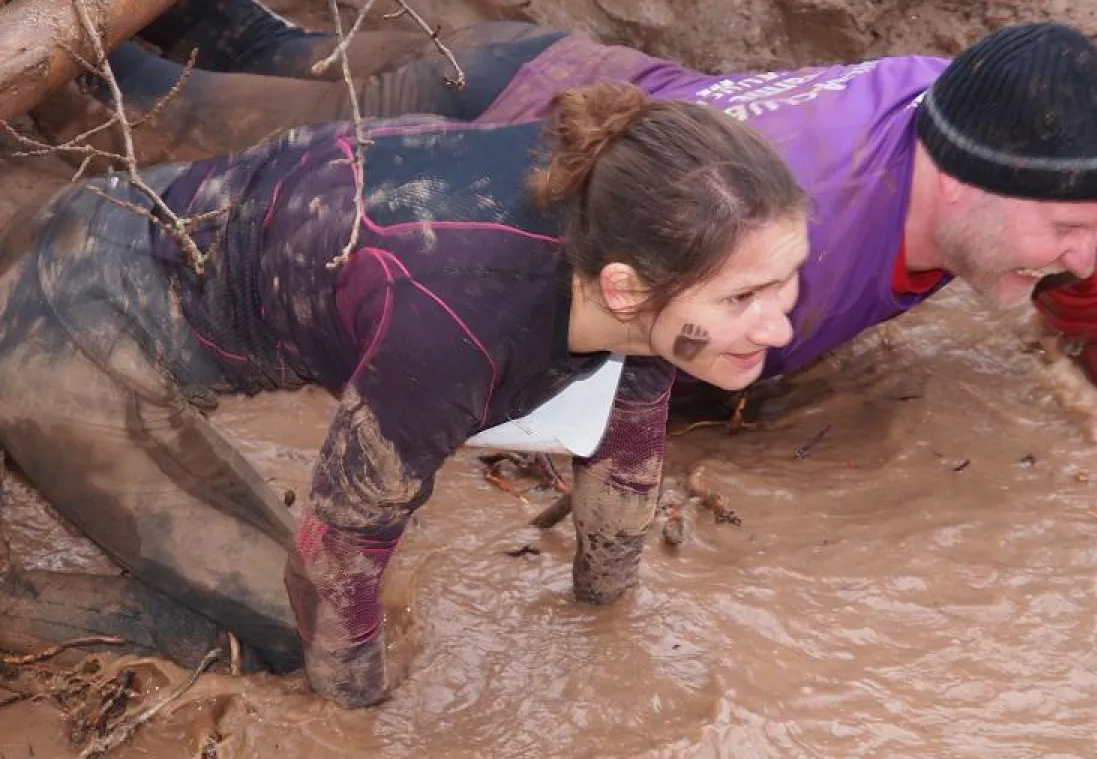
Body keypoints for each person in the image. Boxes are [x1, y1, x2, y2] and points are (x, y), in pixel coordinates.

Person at [45, 0, 1097, 436]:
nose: (1091, 252)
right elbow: (572, 334)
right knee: (155, 111)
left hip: (555, 69)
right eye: (1066, 232)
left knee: (277, 44)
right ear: (968, 180)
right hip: (470, 136)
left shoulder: (989, 119)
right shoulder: (803, 224)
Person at [0, 82, 810, 707]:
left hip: (113, 222)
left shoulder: (628, 221)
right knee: (291, 633)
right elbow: (334, 559)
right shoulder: (460, 327)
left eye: (788, 281)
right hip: (72, 338)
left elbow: (627, 460)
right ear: (626, 290)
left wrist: (607, 628)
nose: (781, 327)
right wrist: (368, 749)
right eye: (745, 300)